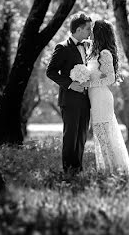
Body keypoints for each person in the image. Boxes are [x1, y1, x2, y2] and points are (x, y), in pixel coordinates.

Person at [46, 11, 93, 175]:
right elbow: (50, 72)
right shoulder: (62, 47)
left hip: (85, 99)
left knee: (82, 136)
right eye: (88, 29)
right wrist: (71, 84)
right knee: (71, 136)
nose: (90, 32)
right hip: (70, 99)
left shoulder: (87, 47)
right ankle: (68, 170)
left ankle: (78, 168)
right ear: (79, 29)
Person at [83, 19, 129, 174]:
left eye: (92, 30)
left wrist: (90, 84)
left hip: (101, 98)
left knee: (104, 135)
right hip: (94, 98)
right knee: (101, 135)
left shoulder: (105, 54)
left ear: (98, 33)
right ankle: (110, 169)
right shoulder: (94, 53)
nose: (89, 32)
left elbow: (110, 79)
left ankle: (113, 170)